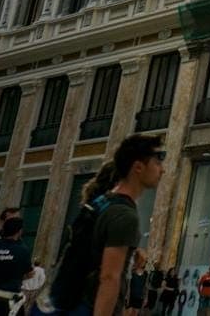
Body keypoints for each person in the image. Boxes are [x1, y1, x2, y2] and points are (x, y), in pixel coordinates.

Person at [60, 135, 166, 316]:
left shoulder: (101, 203)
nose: (162, 170)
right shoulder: (124, 215)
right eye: (157, 162)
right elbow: (109, 278)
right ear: (138, 167)